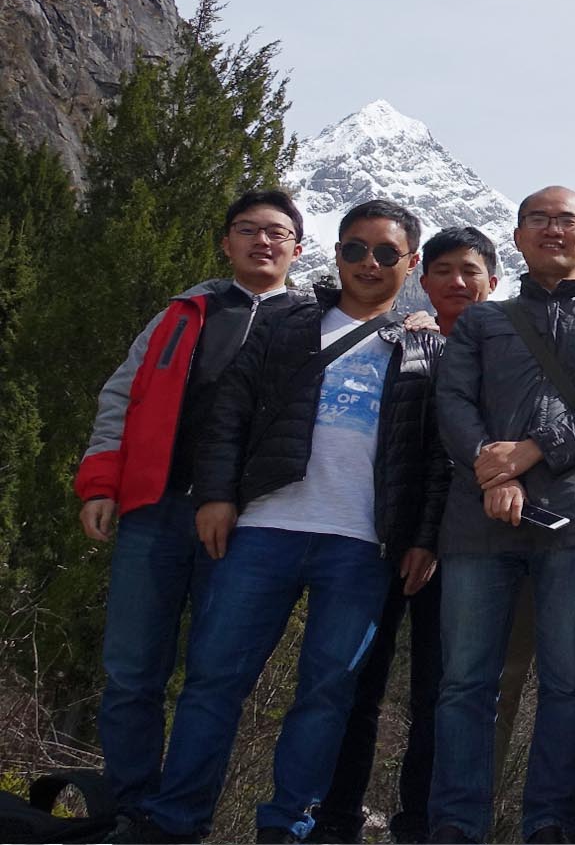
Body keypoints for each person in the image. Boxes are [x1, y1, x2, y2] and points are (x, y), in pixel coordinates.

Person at [132, 199, 446, 844]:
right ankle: (174, 823)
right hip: (263, 529)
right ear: (336, 253)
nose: (368, 262)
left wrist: (422, 538)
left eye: (386, 253)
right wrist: (217, 496)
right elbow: (229, 413)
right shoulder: (288, 322)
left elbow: (436, 457)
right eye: (355, 248)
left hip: (363, 544)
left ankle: (287, 828)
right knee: (214, 680)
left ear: (410, 263)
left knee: (328, 695)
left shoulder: (425, 348)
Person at [429, 186, 575, 844]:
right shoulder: (480, 321)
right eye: (540, 219)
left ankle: (551, 824)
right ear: (520, 237)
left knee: (568, 683)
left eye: (569, 221)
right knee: (465, 682)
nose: (554, 229)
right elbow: (453, 407)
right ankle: (455, 823)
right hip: (477, 521)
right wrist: (491, 470)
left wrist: (526, 453)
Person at [76, 189, 304, 817]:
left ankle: (179, 814)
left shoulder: (311, 322)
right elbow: (121, 396)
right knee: (130, 672)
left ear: (297, 248)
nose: (263, 241)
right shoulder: (183, 313)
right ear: (226, 242)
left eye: (277, 232)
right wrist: (101, 484)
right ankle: (127, 807)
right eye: (248, 229)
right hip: (154, 509)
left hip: (250, 523)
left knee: (214, 678)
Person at [316, 225, 497, 844]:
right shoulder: (398, 341)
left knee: (440, 692)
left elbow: (460, 457)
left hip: (466, 546)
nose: (456, 282)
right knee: (357, 680)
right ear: (424, 280)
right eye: (442, 270)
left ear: (492, 283)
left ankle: (420, 822)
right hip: (383, 535)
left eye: (469, 272)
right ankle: (334, 815)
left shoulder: (503, 356)